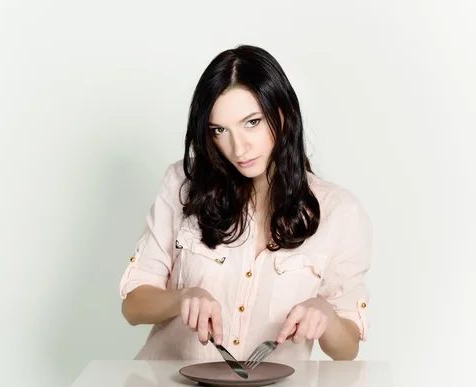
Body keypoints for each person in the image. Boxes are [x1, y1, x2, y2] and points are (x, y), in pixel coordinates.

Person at [119, 44, 372, 363]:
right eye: (219, 130)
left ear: (283, 112)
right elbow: (133, 306)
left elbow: (347, 349)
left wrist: (325, 315)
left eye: (252, 122)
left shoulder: (340, 212)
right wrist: (183, 297)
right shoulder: (182, 185)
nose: (238, 148)